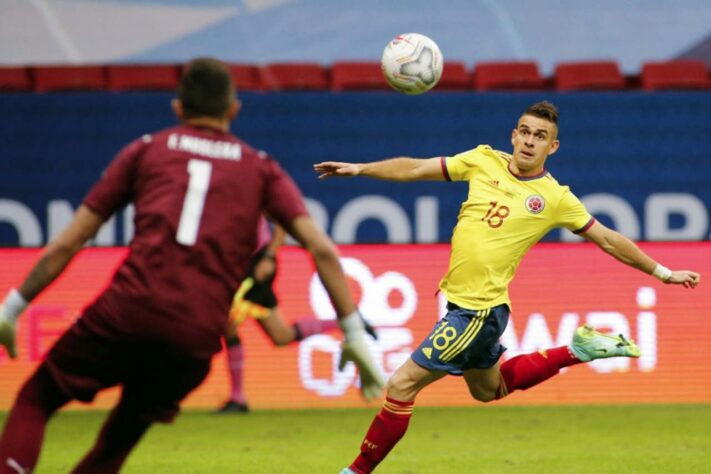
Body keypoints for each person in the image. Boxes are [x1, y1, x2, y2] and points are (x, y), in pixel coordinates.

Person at [0, 57, 383, 474]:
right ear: (233, 110)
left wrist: (13, 307)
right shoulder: (260, 168)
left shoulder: (145, 150)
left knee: (37, 399)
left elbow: (70, 240)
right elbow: (322, 249)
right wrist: (353, 332)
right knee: (117, 440)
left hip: (128, 309)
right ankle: (241, 391)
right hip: (195, 335)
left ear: (178, 108)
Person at [314, 100, 701, 474]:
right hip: (472, 308)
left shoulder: (554, 197)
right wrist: (362, 168)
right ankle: (578, 349)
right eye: (526, 132)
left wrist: (664, 273)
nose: (530, 141)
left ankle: (356, 471)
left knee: (401, 384)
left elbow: (608, 239)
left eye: (541, 136)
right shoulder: (483, 160)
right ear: (514, 135)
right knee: (488, 390)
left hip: (478, 312)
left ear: (553, 146)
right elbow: (416, 169)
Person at [218, 217, 377, 413]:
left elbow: (280, 221)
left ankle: (237, 398)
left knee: (229, 323)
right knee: (281, 335)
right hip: (235, 264)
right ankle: (343, 322)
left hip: (256, 263)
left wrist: (269, 256)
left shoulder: (253, 188)